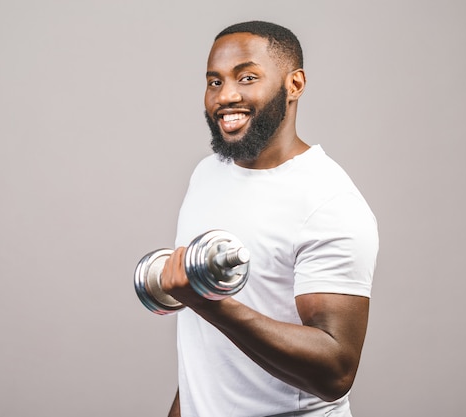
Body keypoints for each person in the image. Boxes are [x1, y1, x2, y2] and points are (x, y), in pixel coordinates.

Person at [159, 21, 379, 417]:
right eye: (214, 82)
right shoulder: (208, 173)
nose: (225, 96)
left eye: (246, 77)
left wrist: (208, 303)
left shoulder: (328, 201)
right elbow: (207, 356)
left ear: (294, 85)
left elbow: (336, 372)